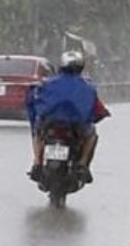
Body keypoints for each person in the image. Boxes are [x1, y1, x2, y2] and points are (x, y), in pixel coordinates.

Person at [26, 50, 111, 184]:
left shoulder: (47, 84)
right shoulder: (88, 86)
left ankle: (37, 163)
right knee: (92, 135)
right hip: (76, 125)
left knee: (37, 133)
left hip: (49, 122)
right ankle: (82, 164)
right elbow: (97, 109)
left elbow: (33, 101)